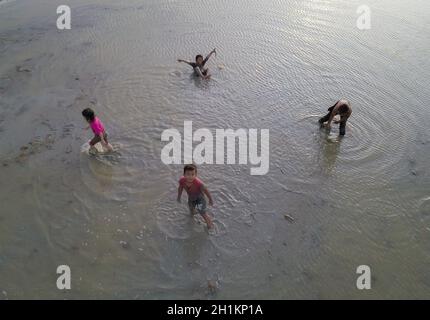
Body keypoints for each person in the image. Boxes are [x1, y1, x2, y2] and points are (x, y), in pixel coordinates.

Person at [177, 164, 214, 229]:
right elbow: (180, 188)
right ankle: (192, 220)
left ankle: (209, 225)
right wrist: (179, 196)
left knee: (202, 212)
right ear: (184, 174)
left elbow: (206, 191)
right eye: (188, 174)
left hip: (200, 199)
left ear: (196, 175)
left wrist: (210, 199)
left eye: (192, 174)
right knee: (191, 209)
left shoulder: (199, 183)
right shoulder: (182, 181)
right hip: (191, 198)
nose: (190, 177)